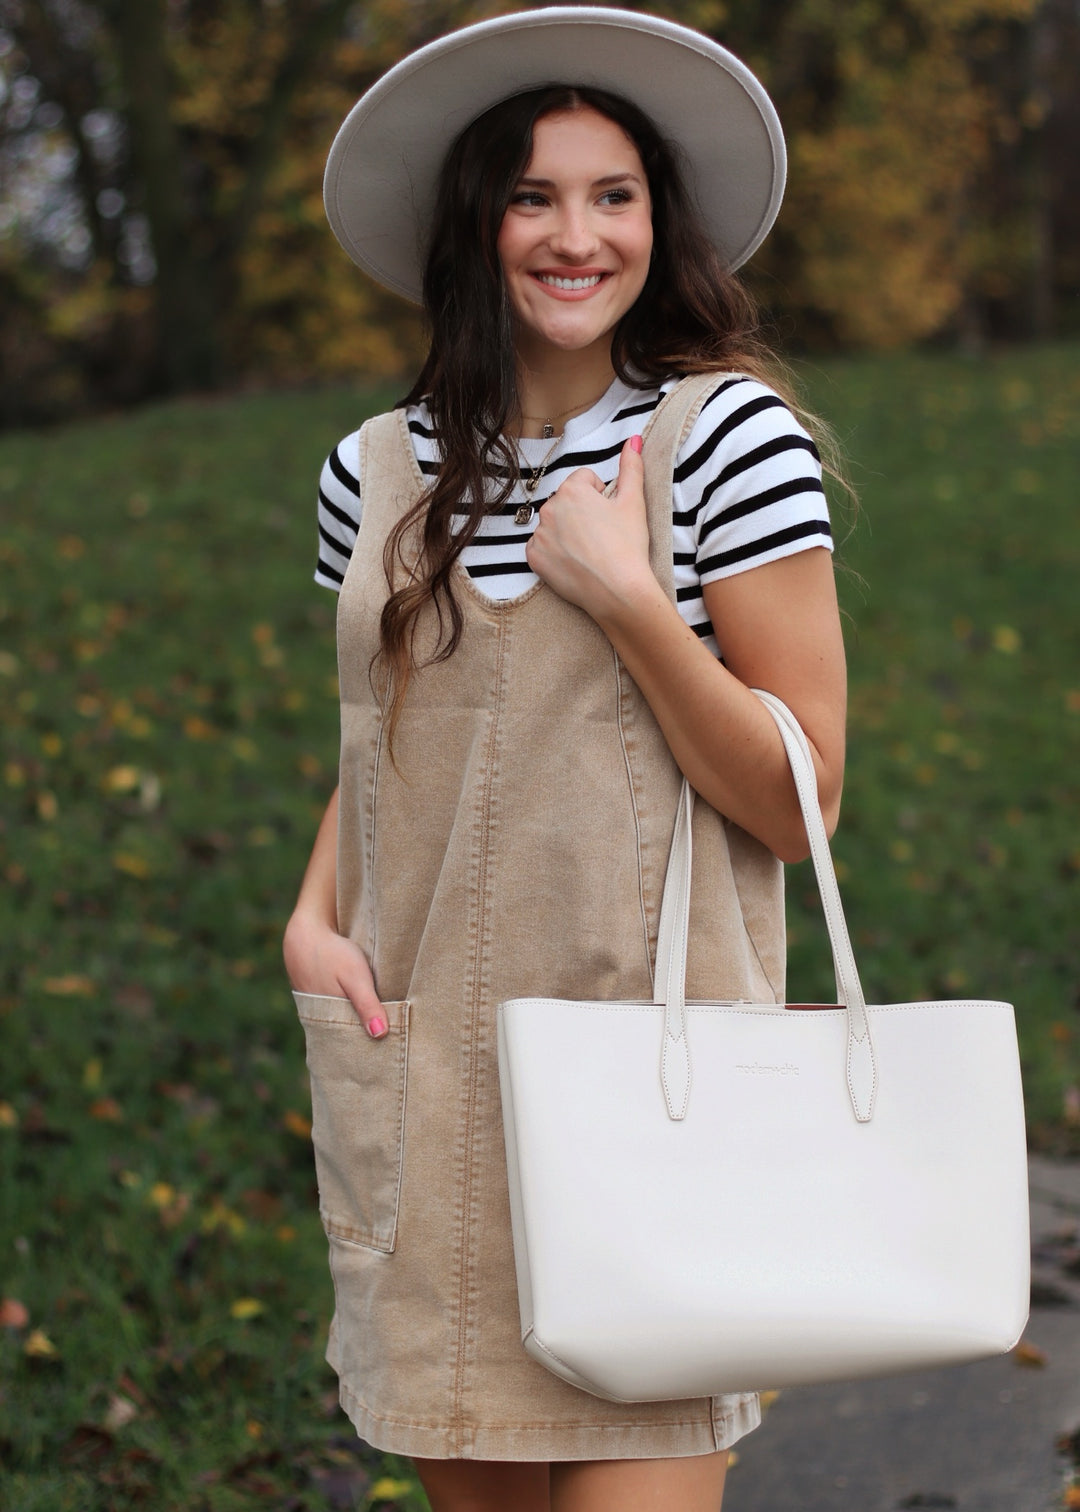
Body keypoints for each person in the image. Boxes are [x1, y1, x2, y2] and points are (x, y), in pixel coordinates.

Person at [284, 9, 847, 1511]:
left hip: (652, 1076)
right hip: (435, 1083)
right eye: (533, 195)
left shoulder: (727, 441)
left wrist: (628, 600)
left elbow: (804, 803)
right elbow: (398, 746)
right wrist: (310, 910)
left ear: (661, 228)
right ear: (476, 225)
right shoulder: (373, 472)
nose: (573, 234)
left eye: (614, 195)